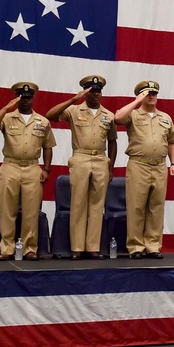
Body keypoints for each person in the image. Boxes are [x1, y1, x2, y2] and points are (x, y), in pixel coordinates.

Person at [46, 75, 118, 260]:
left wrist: (111, 167)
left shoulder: (108, 115)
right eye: (92, 91)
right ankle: (77, 247)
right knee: (78, 204)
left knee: (96, 205)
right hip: (80, 158)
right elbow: (50, 115)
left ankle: (92, 247)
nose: (96, 94)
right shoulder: (74, 110)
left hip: (101, 160)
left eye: (98, 91)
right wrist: (73, 99)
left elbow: (112, 142)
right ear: (85, 93)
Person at [0, 82, 55, 261]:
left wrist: (46, 169)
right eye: (22, 97)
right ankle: (7, 248)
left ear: (33, 98)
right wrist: (7, 107)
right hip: (10, 166)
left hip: (33, 167)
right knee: (7, 210)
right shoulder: (7, 118)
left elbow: (48, 146)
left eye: (28, 97)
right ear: (17, 98)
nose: (25, 101)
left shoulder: (42, 121)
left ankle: (29, 248)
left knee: (32, 211)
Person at [114, 80, 174, 259]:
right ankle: (135, 247)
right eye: (147, 93)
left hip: (159, 165)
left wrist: (173, 164)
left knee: (156, 207)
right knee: (136, 206)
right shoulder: (133, 115)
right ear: (141, 96)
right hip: (139, 165)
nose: (152, 96)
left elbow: (172, 142)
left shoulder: (165, 118)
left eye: (154, 93)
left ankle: (153, 246)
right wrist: (136, 101)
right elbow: (118, 118)